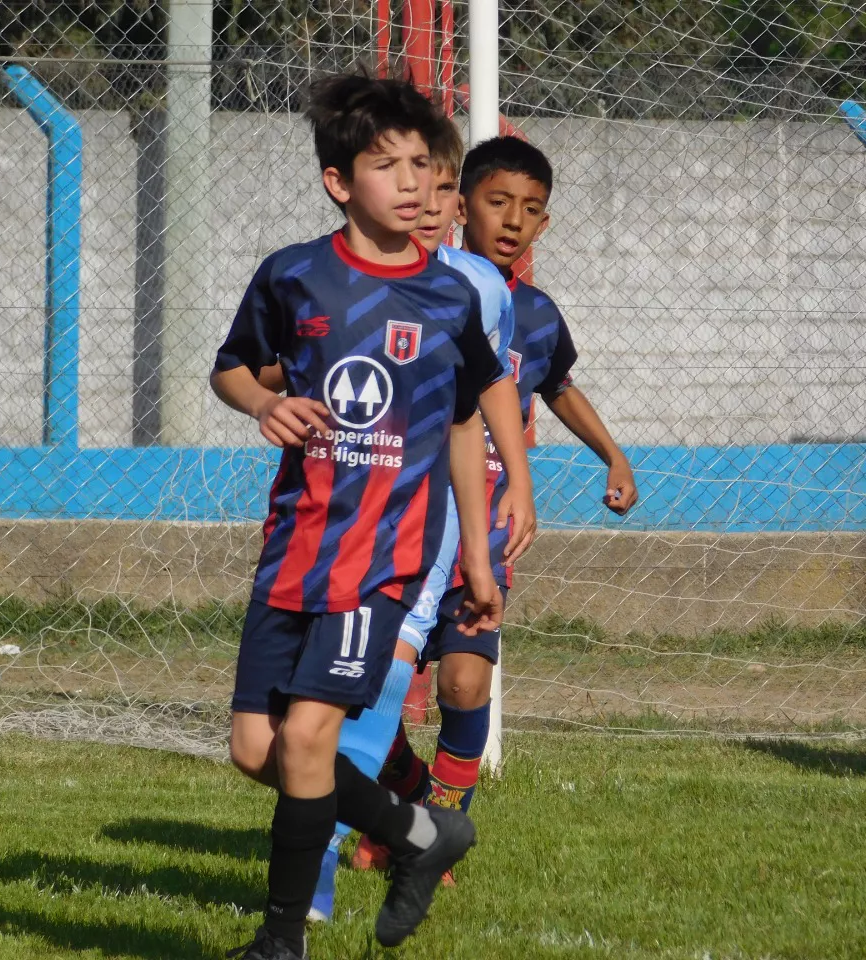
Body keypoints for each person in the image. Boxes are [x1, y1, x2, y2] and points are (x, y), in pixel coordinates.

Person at [210, 73, 507, 959]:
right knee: (257, 750)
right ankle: (420, 833)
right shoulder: (294, 276)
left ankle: (280, 943)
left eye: (423, 163)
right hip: (294, 550)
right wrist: (260, 407)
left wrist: (482, 555)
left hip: (382, 563)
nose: (414, 182)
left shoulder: (450, 297)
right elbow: (232, 367)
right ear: (340, 183)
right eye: (388, 165)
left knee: (308, 736)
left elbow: (467, 418)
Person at [355, 134, 640, 874]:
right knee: (366, 686)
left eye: (532, 210)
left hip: (485, 526)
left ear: (545, 225)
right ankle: (408, 808)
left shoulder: (536, 316)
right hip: (404, 519)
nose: (513, 220)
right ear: (458, 206)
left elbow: (559, 387)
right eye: (497, 201)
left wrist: (611, 454)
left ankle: (433, 837)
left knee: (463, 681)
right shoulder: (417, 293)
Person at [306, 116, 536, 921]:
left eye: (444, 186)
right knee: (307, 706)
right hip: (348, 513)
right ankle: (408, 827)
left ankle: (320, 878)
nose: (433, 202)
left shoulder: (477, 287)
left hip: (430, 518)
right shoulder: (336, 275)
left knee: (378, 684)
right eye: (424, 184)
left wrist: (518, 486)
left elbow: (482, 399)